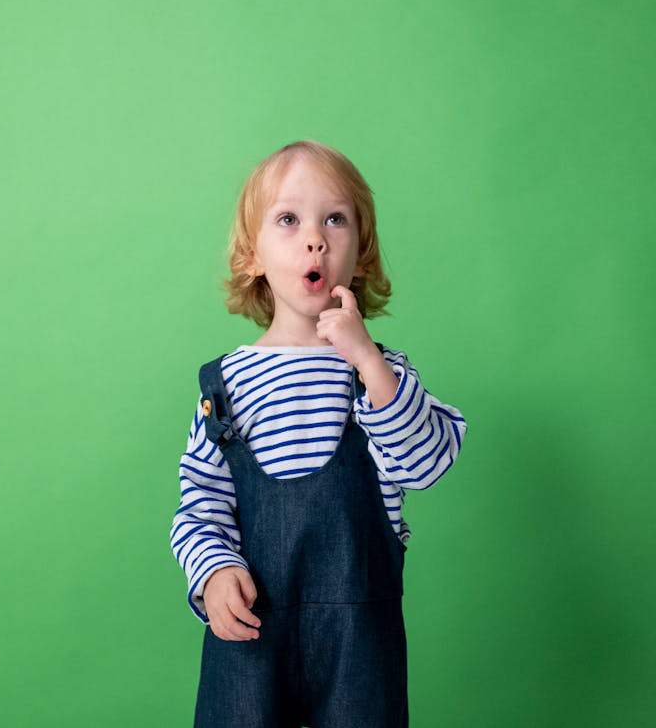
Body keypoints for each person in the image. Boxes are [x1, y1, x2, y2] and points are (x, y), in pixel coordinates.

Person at [168, 140, 468, 727]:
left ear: (361, 252)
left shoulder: (380, 373)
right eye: (288, 220)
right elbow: (199, 505)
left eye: (335, 218)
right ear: (253, 254)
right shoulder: (224, 384)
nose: (315, 238)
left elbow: (426, 464)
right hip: (252, 636)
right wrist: (212, 572)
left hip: (359, 643)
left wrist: (367, 361)